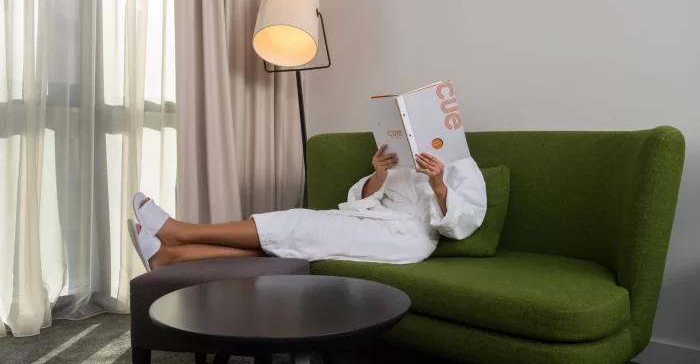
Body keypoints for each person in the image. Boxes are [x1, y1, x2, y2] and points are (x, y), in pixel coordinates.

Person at [128, 146, 487, 272]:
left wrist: (439, 184)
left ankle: (181, 231)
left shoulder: (461, 162)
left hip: (409, 239)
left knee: (300, 222)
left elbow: (461, 224)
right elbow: (362, 199)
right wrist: (379, 173)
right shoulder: (405, 160)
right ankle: (172, 258)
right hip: (371, 221)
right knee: (290, 245)